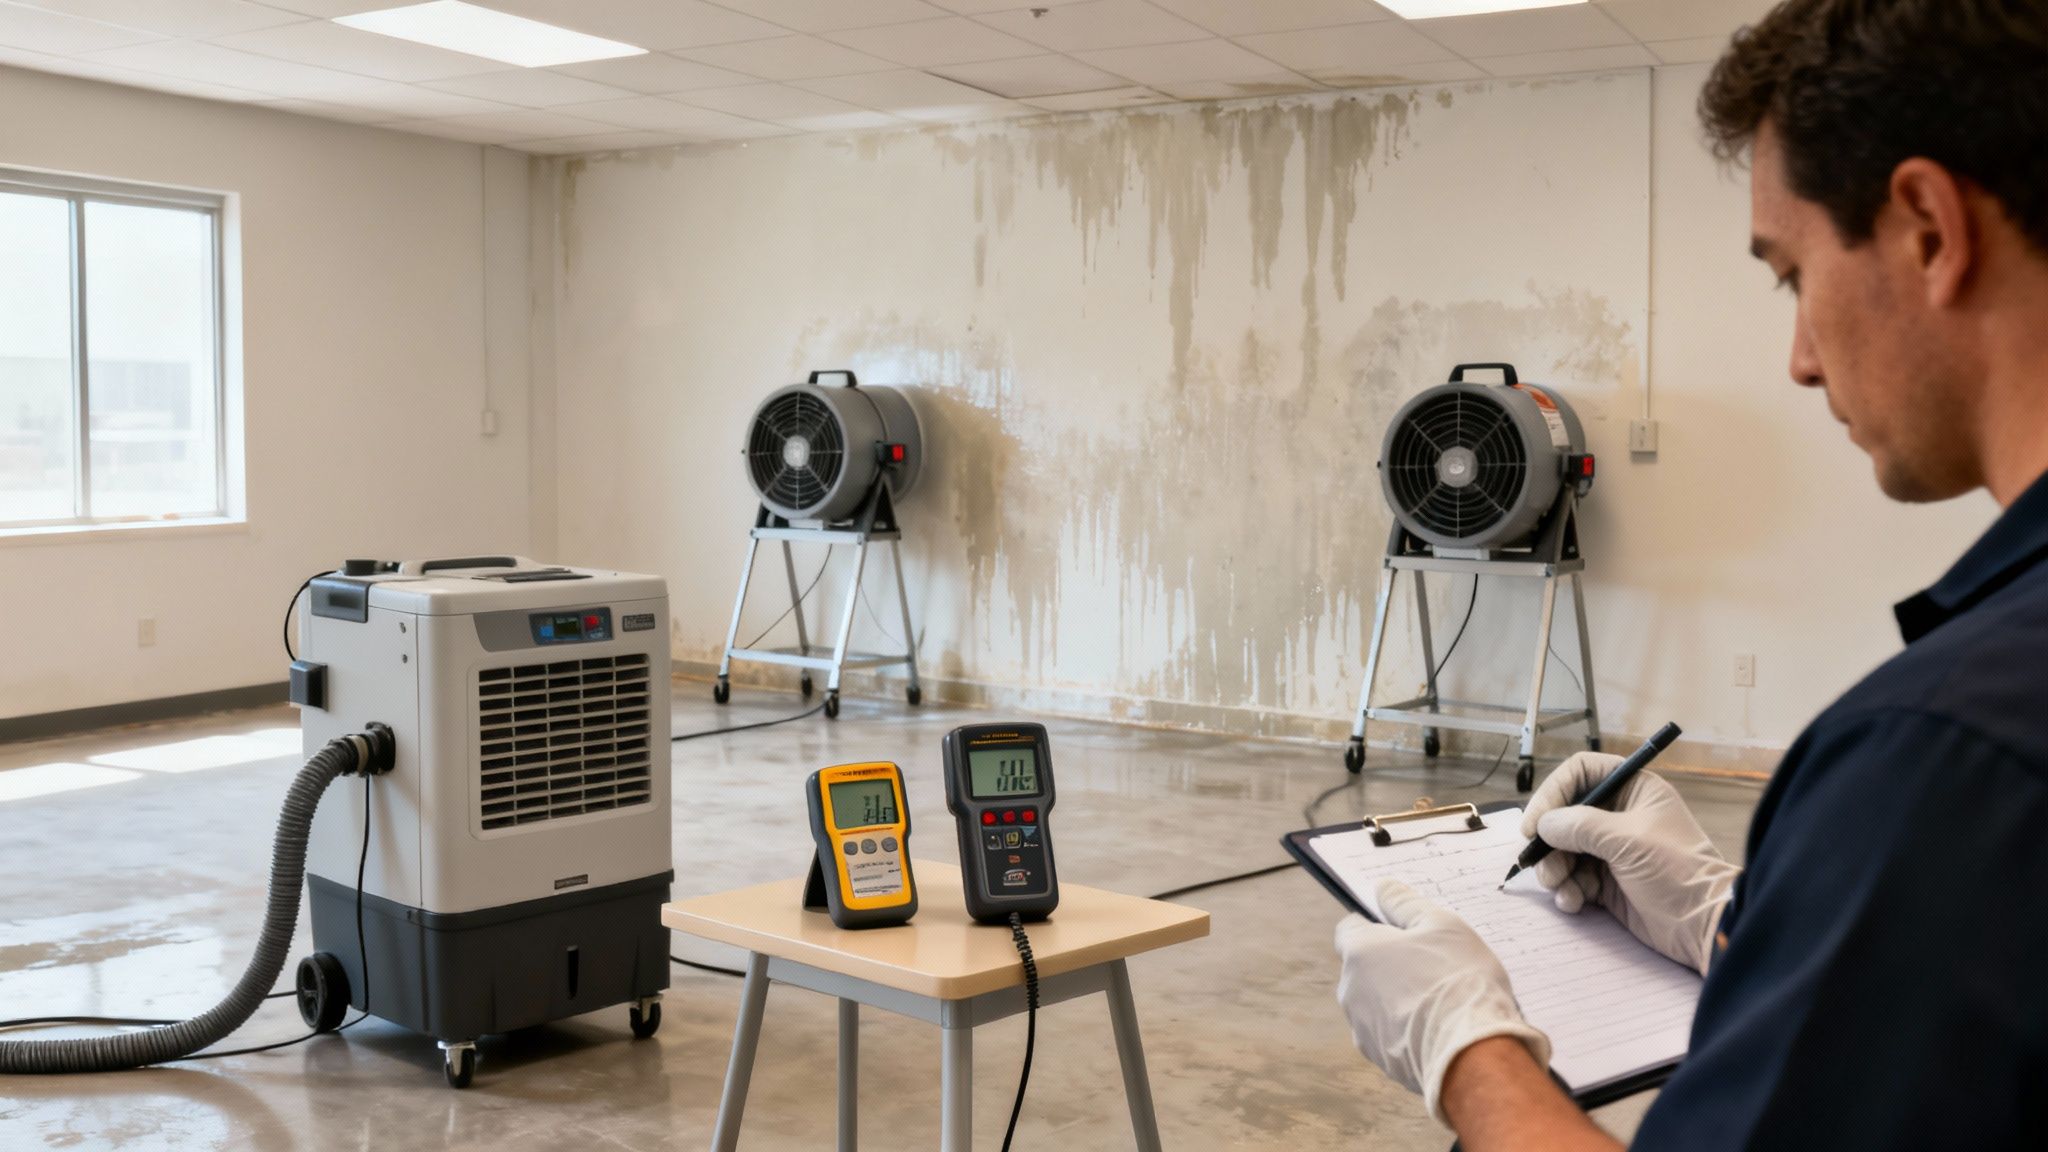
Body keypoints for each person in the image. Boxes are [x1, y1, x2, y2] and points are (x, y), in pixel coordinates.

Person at [1331, 1, 2048, 1147]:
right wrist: (1737, 922)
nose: (1800, 360)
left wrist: (1464, 1048)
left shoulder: (1942, 755)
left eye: (1789, 273)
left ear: (1925, 226)